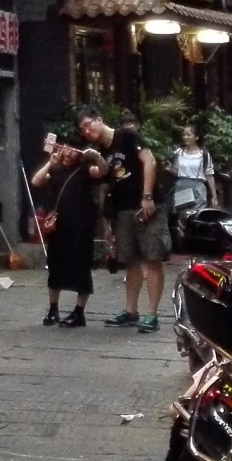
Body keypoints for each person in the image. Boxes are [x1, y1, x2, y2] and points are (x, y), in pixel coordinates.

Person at [77, 106, 164, 332]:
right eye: (82, 130)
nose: (87, 131)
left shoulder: (126, 135)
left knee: (152, 257)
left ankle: (152, 314)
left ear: (99, 119)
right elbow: (104, 177)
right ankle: (131, 311)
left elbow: (149, 161)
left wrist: (147, 196)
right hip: (123, 209)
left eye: (88, 125)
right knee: (131, 261)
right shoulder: (101, 150)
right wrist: (107, 223)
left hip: (144, 204)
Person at [31, 136, 97, 326]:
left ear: (80, 153)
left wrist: (96, 157)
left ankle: (79, 312)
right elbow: (36, 181)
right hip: (58, 227)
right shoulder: (56, 169)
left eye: (73, 150)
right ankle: (53, 309)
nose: (68, 152)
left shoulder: (85, 170)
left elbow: (102, 170)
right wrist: (49, 163)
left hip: (81, 227)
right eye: (66, 148)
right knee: (55, 266)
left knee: (82, 267)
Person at [170, 123, 216, 214]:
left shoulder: (203, 155)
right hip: (181, 187)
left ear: (196, 137)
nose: (185, 137)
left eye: (188, 135)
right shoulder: (178, 153)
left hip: (197, 187)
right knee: (181, 215)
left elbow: (209, 175)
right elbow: (176, 171)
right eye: (184, 135)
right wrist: (169, 168)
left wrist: (214, 196)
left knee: (196, 215)